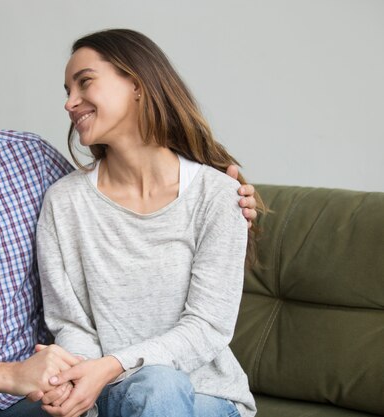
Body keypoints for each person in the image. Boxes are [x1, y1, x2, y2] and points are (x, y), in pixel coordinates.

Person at [0, 6, 258, 417]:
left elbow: (122, 193)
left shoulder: (30, 160)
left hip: (41, 389)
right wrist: (9, 375)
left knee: (136, 393)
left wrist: (222, 189)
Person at [35, 29, 261, 417]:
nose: (70, 103)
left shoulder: (219, 196)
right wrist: (82, 382)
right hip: (107, 395)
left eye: (85, 82)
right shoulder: (64, 202)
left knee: (159, 385)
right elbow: (71, 323)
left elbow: (207, 327)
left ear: (137, 84)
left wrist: (113, 366)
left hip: (205, 396)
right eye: (67, 91)